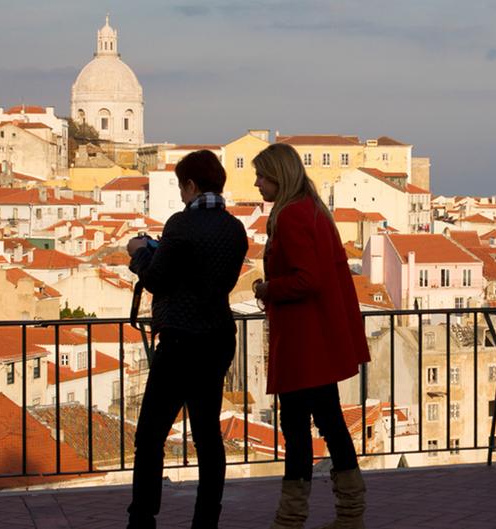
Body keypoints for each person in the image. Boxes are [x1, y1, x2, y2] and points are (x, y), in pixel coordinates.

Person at [126, 150, 249, 529]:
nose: (181, 195)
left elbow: (157, 279)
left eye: (182, 187)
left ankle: (143, 517)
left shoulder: (180, 224)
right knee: (207, 436)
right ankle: (206, 520)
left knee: (150, 435)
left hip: (180, 340)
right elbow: (212, 278)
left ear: (191, 185)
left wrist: (138, 255)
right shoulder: (235, 229)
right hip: (217, 338)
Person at [252, 143, 371, 529]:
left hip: (303, 342)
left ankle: (291, 519)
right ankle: (350, 514)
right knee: (331, 423)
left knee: (298, 429)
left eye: (262, 176)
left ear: (278, 177)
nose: (256, 184)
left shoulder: (290, 216)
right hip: (319, 337)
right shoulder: (314, 209)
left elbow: (307, 278)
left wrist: (269, 289)